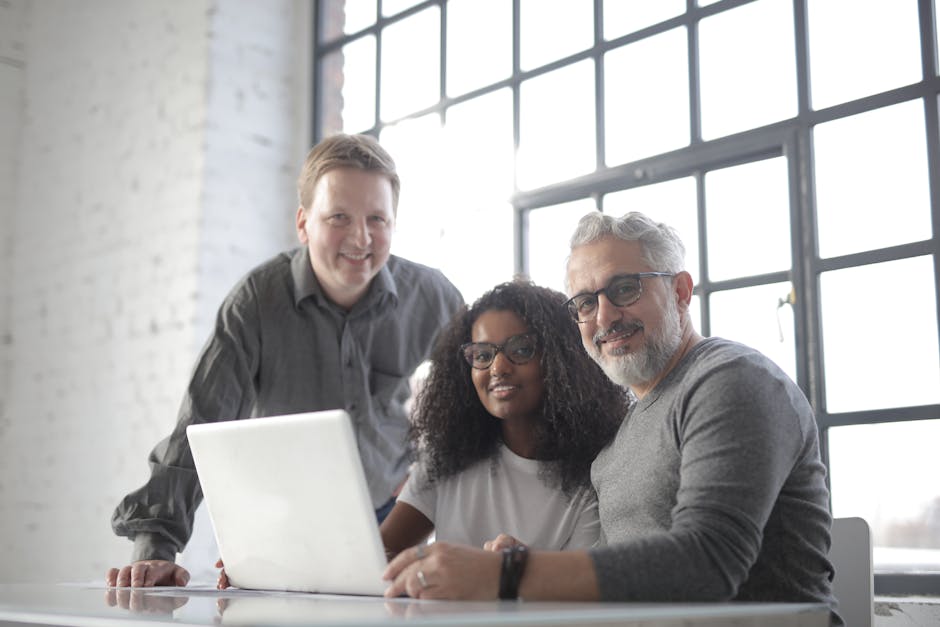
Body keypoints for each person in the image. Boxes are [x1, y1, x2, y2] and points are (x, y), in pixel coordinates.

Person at [383, 211, 841, 625]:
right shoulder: (622, 437)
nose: (604, 315)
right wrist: (526, 561)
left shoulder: (731, 380)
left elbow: (708, 563)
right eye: (584, 302)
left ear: (680, 291)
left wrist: (508, 573)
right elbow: (624, 575)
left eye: (624, 288)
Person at [106, 133, 463, 588]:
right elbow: (198, 427)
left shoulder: (432, 297)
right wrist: (156, 547)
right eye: (339, 217)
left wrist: (425, 475)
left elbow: (478, 402)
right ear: (303, 223)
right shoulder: (255, 302)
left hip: (395, 516)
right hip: (283, 524)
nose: (361, 237)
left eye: (378, 219)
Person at [379, 279, 630, 558]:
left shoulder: (598, 473)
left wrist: (520, 569)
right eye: (482, 355)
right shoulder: (447, 457)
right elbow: (379, 555)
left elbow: (586, 586)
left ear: (561, 360)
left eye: (521, 350)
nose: (498, 368)